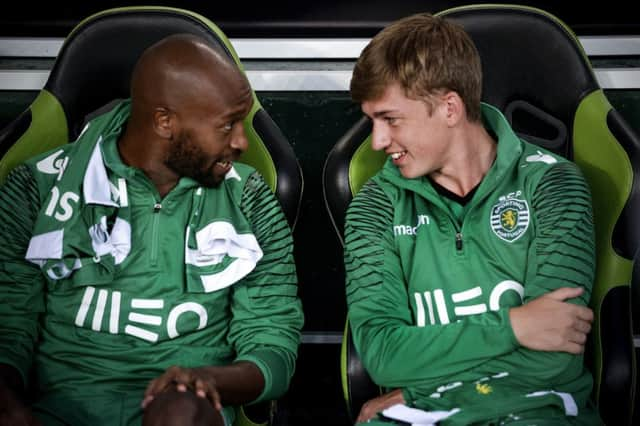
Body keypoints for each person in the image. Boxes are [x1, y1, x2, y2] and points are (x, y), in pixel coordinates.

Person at [0, 33, 303, 426]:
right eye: (227, 126)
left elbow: (273, 342)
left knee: (177, 414)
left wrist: (207, 381)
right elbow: (8, 323)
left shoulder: (248, 198)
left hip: (186, 413)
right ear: (165, 122)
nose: (243, 143)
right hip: (58, 411)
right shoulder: (37, 187)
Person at [344, 13, 600, 425]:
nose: (378, 142)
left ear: (449, 107)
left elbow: (553, 358)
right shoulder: (375, 206)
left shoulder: (553, 184)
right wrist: (515, 326)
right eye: (372, 121)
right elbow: (383, 355)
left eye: (390, 119)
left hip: (541, 412)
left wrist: (415, 387)